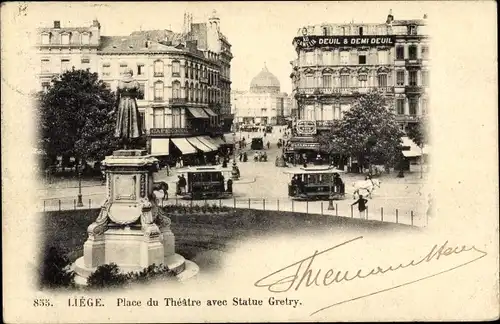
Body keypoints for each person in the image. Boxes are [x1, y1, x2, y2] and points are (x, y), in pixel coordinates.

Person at [109, 68, 142, 149]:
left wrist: (114, 109)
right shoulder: (135, 82)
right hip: (131, 103)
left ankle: (125, 144)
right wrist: (135, 93)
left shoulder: (120, 83)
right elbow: (140, 95)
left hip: (122, 104)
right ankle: (132, 142)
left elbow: (116, 97)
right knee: (133, 122)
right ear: (131, 73)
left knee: (122, 122)